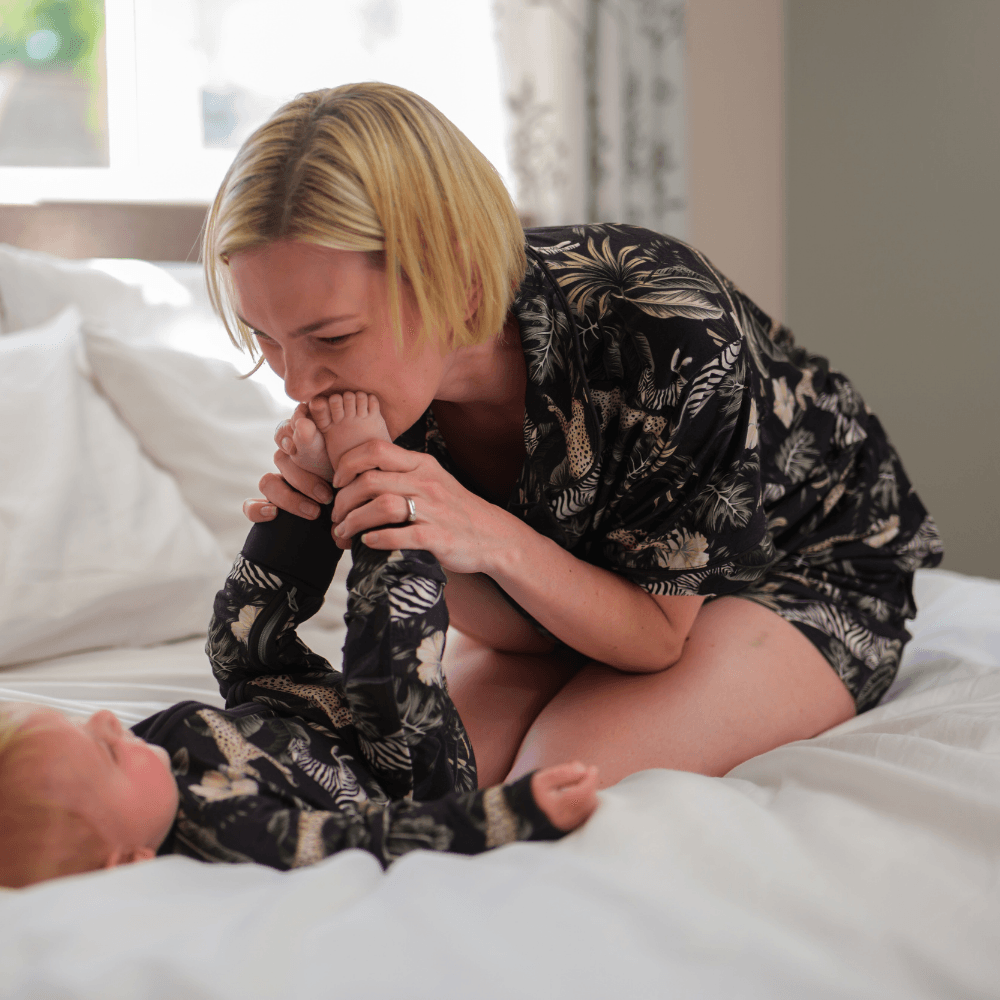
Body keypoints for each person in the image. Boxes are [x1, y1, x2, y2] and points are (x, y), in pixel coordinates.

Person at [208, 82, 944, 791]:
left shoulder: (667, 323)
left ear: (459, 282)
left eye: (333, 336)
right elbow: (517, 625)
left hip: (800, 564)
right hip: (588, 598)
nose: (297, 384)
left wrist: (483, 531)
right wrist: (372, 513)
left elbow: (654, 636)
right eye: (265, 336)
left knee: (549, 787)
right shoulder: (391, 402)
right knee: (416, 779)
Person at [0, 396, 599, 889]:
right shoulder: (232, 838)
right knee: (382, 676)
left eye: (83, 728)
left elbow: (223, 693)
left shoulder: (144, 760)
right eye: (105, 753)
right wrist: (515, 813)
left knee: (235, 644)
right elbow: (372, 838)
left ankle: (312, 493)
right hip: (397, 770)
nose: (107, 722)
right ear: (130, 863)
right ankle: (378, 483)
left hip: (292, 709)